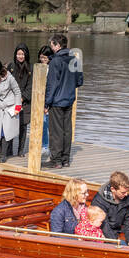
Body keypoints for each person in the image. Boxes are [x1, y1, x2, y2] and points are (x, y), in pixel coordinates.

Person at [44, 33, 81, 168]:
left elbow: (51, 84)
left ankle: (56, 160)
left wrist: (46, 103)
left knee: (56, 131)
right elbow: (80, 81)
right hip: (69, 99)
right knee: (67, 130)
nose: (51, 48)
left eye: (52, 45)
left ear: (58, 46)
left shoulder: (55, 61)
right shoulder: (75, 60)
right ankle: (65, 159)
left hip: (57, 101)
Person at [91, 171, 129, 245]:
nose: (126, 194)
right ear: (113, 189)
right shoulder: (99, 201)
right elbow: (104, 225)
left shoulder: (126, 198)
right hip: (102, 238)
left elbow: (128, 219)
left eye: (127, 191)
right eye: (123, 192)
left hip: (116, 235)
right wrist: (115, 243)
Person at [11, 43, 33, 156]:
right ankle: (8, 150)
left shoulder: (30, 68)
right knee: (9, 125)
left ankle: (20, 150)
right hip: (11, 101)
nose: (20, 56)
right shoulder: (11, 67)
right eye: (18, 54)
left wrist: (23, 97)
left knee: (23, 127)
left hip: (25, 102)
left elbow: (31, 86)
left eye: (22, 54)